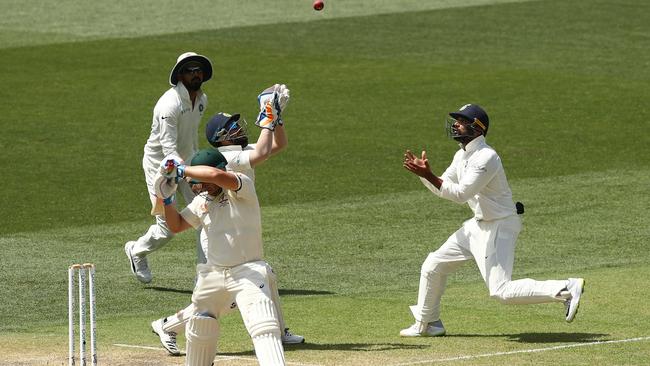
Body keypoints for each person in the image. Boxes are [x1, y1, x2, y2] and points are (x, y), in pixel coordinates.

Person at [400, 103, 585, 337]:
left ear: (477, 128)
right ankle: (429, 323)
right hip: (477, 225)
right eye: (456, 120)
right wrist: (425, 176)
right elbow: (443, 187)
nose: (456, 124)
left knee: (501, 291)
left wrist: (428, 176)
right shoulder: (461, 155)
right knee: (433, 265)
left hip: (499, 225)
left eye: (462, 121)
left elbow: (460, 194)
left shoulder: (487, 157)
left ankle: (566, 288)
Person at [151, 86, 303, 356]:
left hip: (235, 212)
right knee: (228, 298)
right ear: (221, 137)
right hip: (220, 228)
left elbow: (276, 146)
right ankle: (169, 324)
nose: (238, 128)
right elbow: (256, 155)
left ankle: (279, 331)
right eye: (232, 126)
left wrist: (275, 118)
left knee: (263, 276)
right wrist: (267, 116)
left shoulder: (234, 153)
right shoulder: (228, 159)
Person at [154, 146, 286, 366]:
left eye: (202, 182)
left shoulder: (240, 185)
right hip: (213, 274)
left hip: (248, 271)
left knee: (264, 327)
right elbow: (176, 226)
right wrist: (166, 200)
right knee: (199, 325)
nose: (200, 188)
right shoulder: (201, 202)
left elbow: (215, 176)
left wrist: (182, 169)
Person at [124, 52, 213, 283]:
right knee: (168, 229)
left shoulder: (202, 100)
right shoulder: (169, 105)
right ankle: (136, 251)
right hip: (161, 168)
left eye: (198, 70)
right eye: (190, 70)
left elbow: (190, 141)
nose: (196, 74)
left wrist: (196, 166)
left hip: (187, 164)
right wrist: (192, 174)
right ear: (180, 75)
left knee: (207, 213)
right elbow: (169, 151)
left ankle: (204, 278)